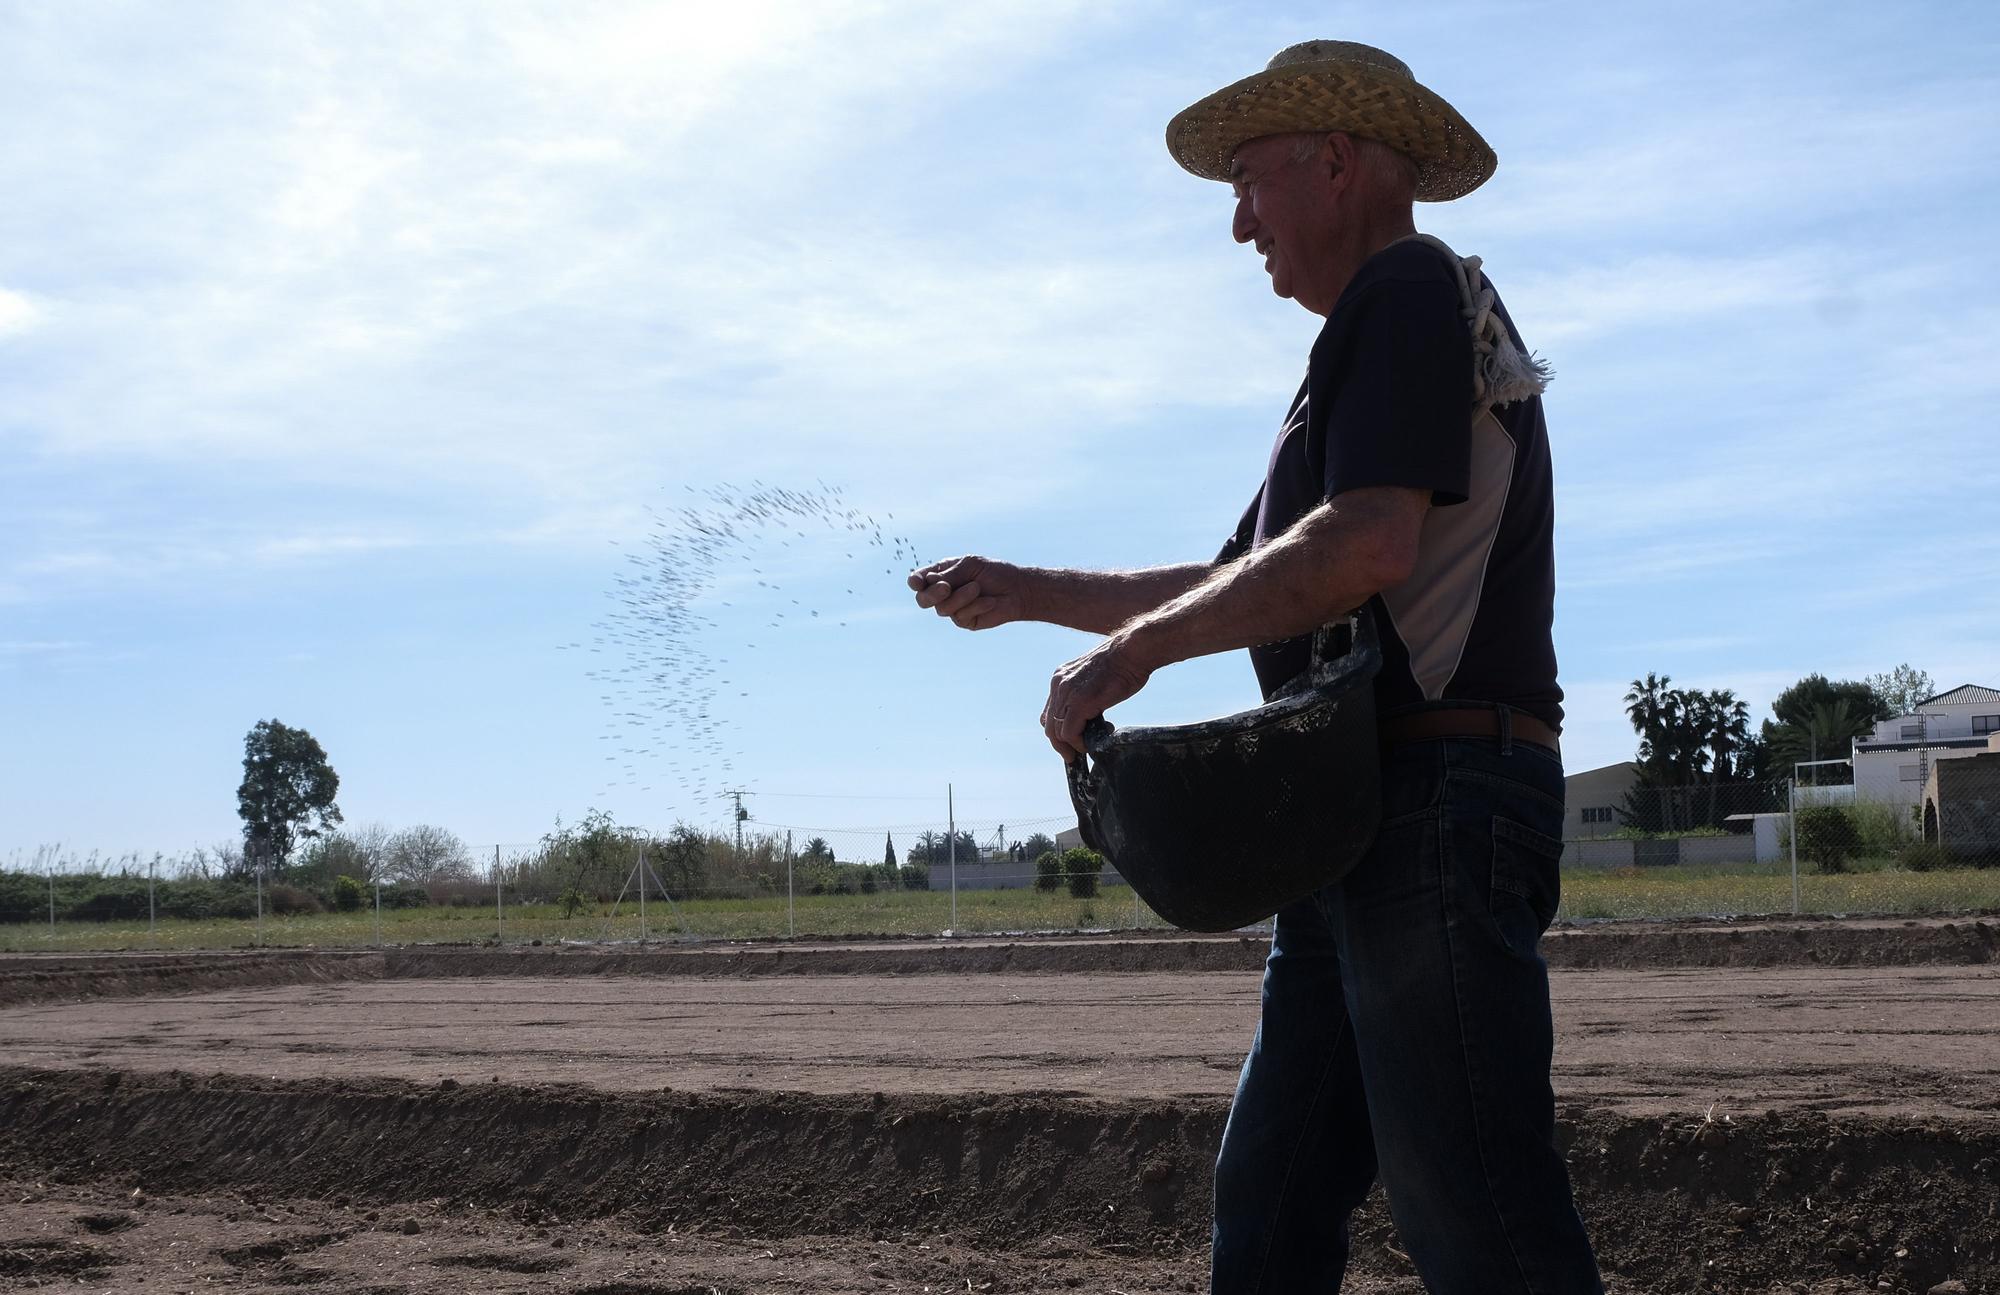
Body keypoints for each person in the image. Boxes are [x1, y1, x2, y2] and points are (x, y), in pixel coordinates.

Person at [908, 39, 1602, 1295]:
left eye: (1247, 182)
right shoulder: (1367, 345)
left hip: (1430, 806)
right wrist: (1031, 598)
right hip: (1356, 817)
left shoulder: (1402, 292)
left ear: (1332, 162)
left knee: (1477, 1217)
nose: (1236, 225)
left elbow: (1365, 544)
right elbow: (1241, 573)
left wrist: (1127, 658)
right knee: (1271, 1196)